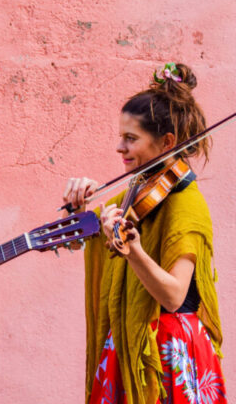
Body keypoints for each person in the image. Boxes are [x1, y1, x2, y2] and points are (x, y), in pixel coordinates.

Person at [63, 63, 226, 403]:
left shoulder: (186, 204)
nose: (119, 147)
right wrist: (79, 210)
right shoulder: (136, 192)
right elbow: (83, 238)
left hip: (166, 351)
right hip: (128, 341)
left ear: (167, 142)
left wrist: (134, 253)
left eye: (131, 138)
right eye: (120, 136)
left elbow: (174, 296)